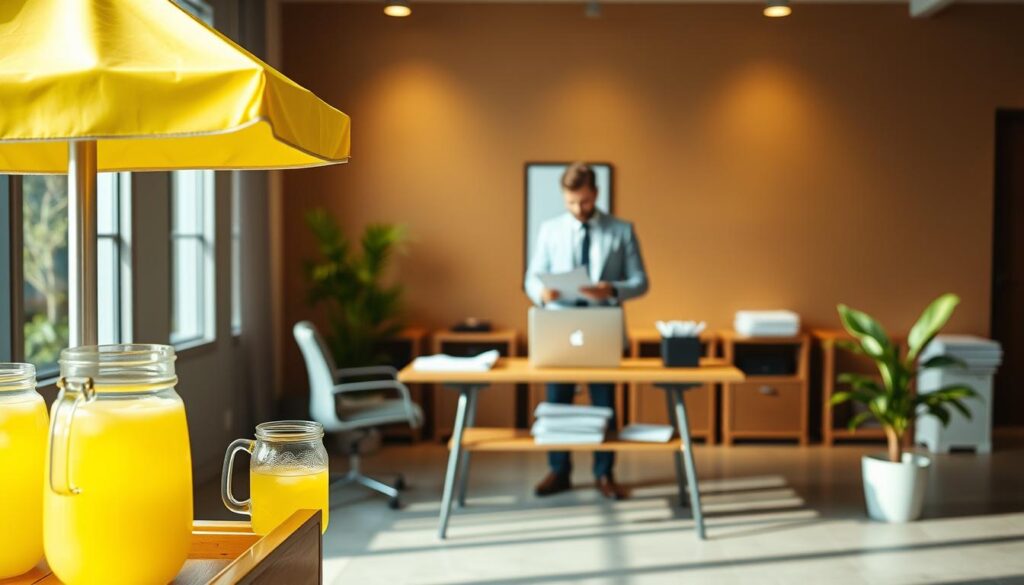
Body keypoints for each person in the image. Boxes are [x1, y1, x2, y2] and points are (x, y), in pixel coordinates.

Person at [524, 162, 649, 500]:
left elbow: (641, 283)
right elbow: (531, 278)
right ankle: (559, 470)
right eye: (571, 202)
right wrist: (541, 293)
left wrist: (611, 289)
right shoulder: (549, 230)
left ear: (595, 194)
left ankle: (604, 473)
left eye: (584, 201)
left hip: (601, 325)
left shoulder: (621, 230)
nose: (578, 208)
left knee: (604, 403)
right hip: (558, 323)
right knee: (557, 402)